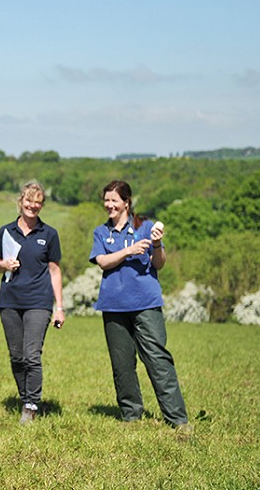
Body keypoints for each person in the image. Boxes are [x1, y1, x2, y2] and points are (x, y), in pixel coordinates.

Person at [89, 180, 191, 432]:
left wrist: (156, 245)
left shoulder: (145, 227)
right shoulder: (102, 233)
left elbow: (159, 264)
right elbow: (102, 261)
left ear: (126, 202)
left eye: (114, 200)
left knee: (157, 358)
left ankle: (178, 419)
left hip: (145, 304)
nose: (109, 205)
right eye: (106, 200)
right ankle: (131, 416)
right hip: (113, 306)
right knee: (122, 364)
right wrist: (129, 251)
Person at [0, 181, 65, 424]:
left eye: (38, 202)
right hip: (10, 301)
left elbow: (55, 271)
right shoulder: (5, 232)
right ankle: (26, 399)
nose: (32, 205)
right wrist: (4, 265)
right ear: (20, 201)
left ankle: (31, 405)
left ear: (42, 205)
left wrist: (60, 307)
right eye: (29, 200)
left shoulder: (49, 234)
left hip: (39, 302)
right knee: (16, 356)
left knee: (32, 355)